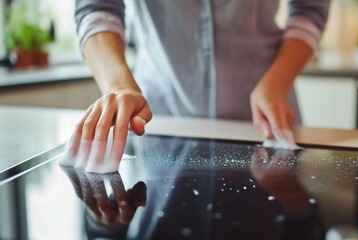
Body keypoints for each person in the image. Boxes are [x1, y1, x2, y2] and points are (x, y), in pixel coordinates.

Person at [72, 0, 331, 171]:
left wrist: (277, 82)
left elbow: (310, 10)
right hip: (159, 123)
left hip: (266, 119)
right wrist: (118, 86)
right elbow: (97, 8)